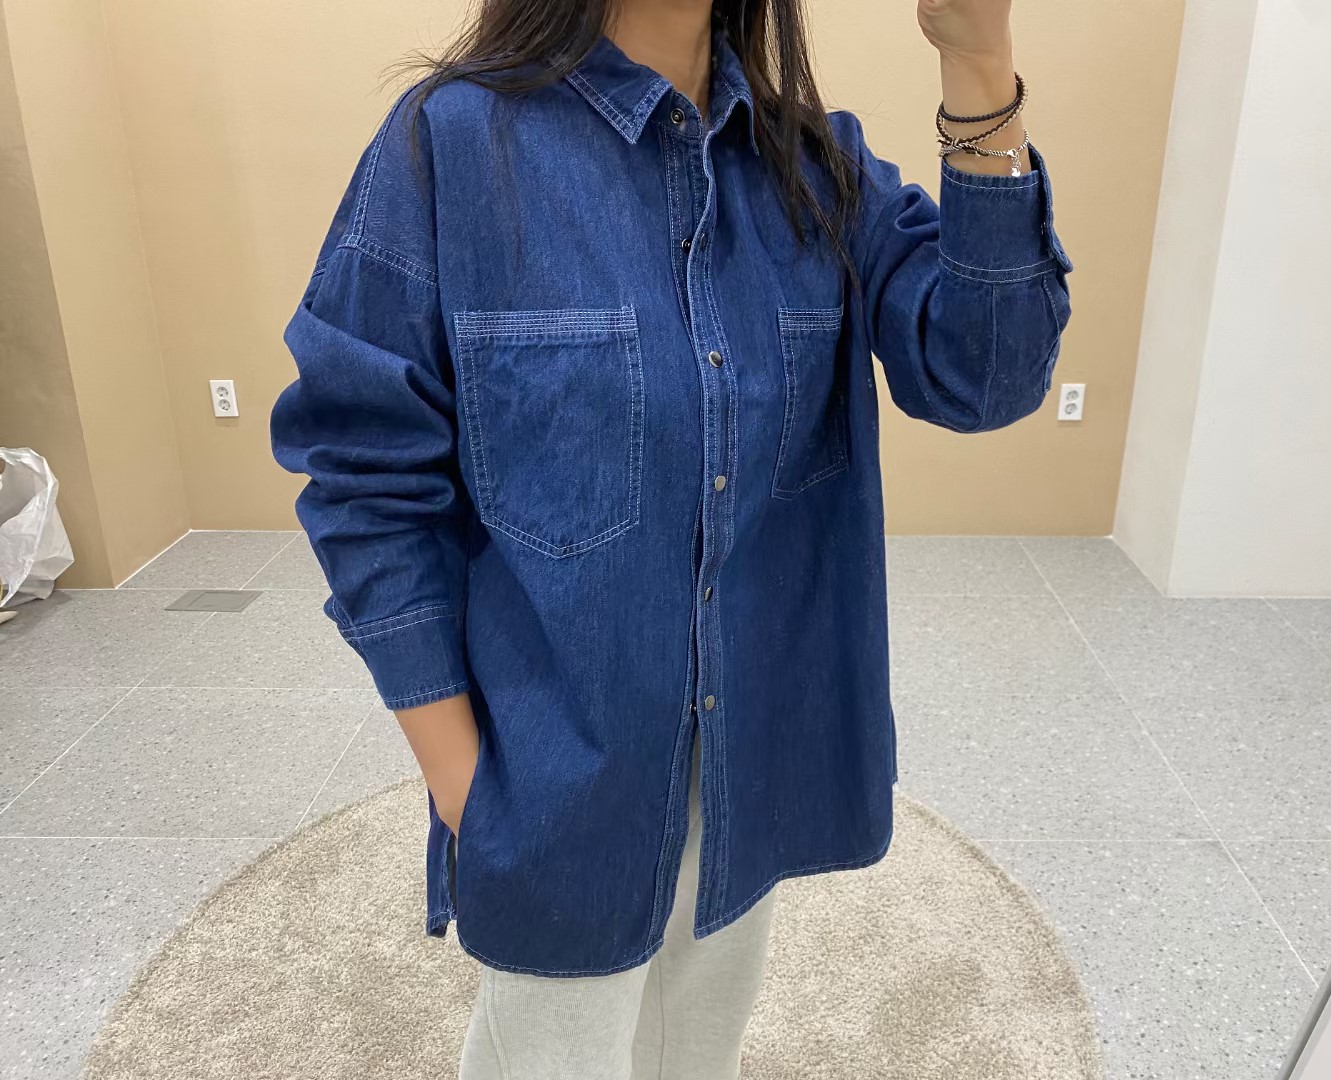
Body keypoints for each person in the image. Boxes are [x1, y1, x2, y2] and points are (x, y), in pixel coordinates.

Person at [270, 0, 1071, 1075]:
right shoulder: (450, 146)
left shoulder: (815, 170)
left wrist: (977, 58)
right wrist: (467, 792)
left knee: (697, 1057)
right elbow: (364, 471)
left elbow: (985, 372)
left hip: (751, 770)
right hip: (559, 793)